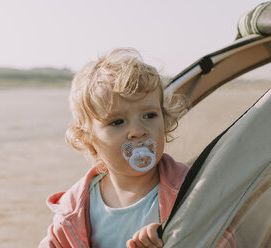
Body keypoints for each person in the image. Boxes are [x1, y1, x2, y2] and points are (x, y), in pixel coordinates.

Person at [39, 48, 233, 248]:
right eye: (117, 122)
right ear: (87, 139)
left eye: (149, 116)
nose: (138, 131)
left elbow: (225, 241)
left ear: (165, 120)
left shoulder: (190, 190)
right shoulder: (74, 210)